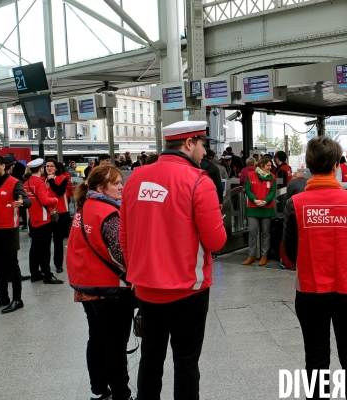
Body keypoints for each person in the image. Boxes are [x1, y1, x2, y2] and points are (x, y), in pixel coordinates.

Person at [120, 120, 226, 400]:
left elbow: (125, 235)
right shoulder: (198, 181)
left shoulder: (135, 179)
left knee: (150, 357)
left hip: (145, 288)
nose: (205, 153)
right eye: (203, 145)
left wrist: (135, 273)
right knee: (186, 361)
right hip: (188, 290)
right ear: (189, 143)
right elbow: (216, 241)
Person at [283, 136, 347, 399]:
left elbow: (291, 252)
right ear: (336, 165)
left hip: (311, 293)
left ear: (309, 166)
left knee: (316, 358)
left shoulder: (295, 204)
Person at [67, 165, 135, 400]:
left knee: (96, 337)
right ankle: (121, 394)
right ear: (99, 187)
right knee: (115, 345)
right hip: (110, 289)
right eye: (115, 183)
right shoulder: (108, 213)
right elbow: (122, 253)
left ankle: (98, 389)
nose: (121, 187)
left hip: (86, 284)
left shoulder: (84, 206)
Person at [0, 155, 31, 314]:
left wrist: (22, 202)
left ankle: (17, 299)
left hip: (8, 230)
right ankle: (3, 297)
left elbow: (26, 200)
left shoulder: (14, 182)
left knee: (12, 266)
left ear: (3, 166)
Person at [23, 158, 64, 284]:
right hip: (44, 219)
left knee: (34, 247)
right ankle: (47, 275)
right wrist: (55, 200)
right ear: (41, 169)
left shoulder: (26, 182)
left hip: (33, 219)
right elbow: (45, 201)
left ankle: (34, 273)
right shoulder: (39, 183)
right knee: (45, 249)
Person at [242, 157, 277, 266]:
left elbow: (272, 191)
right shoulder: (251, 175)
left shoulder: (273, 177)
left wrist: (266, 201)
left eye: (270, 166)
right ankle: (251, 255)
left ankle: (264, 255)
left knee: (265, 233)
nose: (270, 168)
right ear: (262, 165)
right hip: (253, 208)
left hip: (266, 209)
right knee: (252, 232)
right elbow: (247, 189)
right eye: (268, 165)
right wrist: (254, 200)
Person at [44, 159, 71, 274]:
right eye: (47, 166)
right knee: (45, 241)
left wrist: (51, 182)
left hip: (60, 213)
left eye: (51, 166)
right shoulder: (42, 180)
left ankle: (58, 264)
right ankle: (45, 266)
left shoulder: (62, 178)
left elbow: (59, 192)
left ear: (56, 168)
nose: (49, 168)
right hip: (46, 212)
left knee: (58, 240)